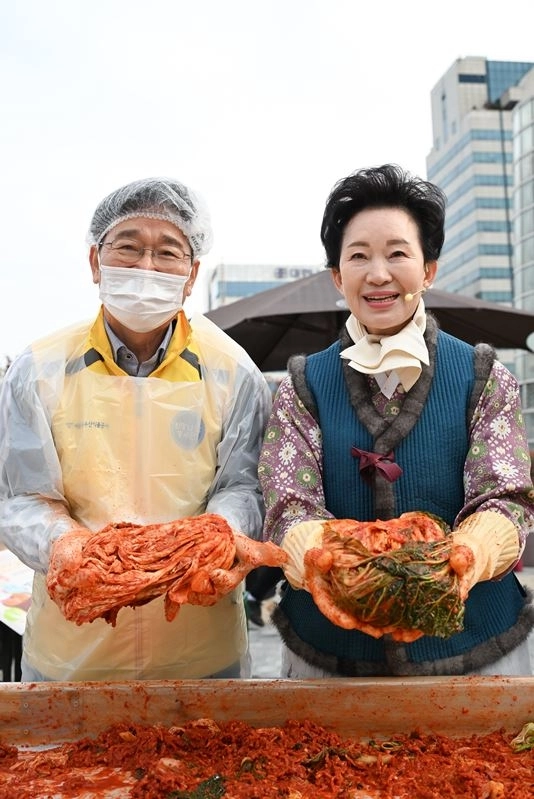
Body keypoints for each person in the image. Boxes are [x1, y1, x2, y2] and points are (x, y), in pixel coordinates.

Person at [259, 163, 534, 678]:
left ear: (428, 270)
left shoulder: (482, 374)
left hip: (475, 652)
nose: (379, 274)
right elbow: (288, 506)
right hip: (330, 659)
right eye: (358, 256)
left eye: (398, 254)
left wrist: (468, 554)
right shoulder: (302, 385)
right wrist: (329, 565)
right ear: (338, 277)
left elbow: (506, 497)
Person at [0, 176, 272, 681]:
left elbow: (243, 485)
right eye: (128, 247)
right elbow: (21, 497)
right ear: (94, 261)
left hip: (201, 653)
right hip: (72, 657)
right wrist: (65, 547)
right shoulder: (38, 369)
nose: (147, 267)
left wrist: (218, 539)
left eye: (167, 252)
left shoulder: (233, 373)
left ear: (191, 274)